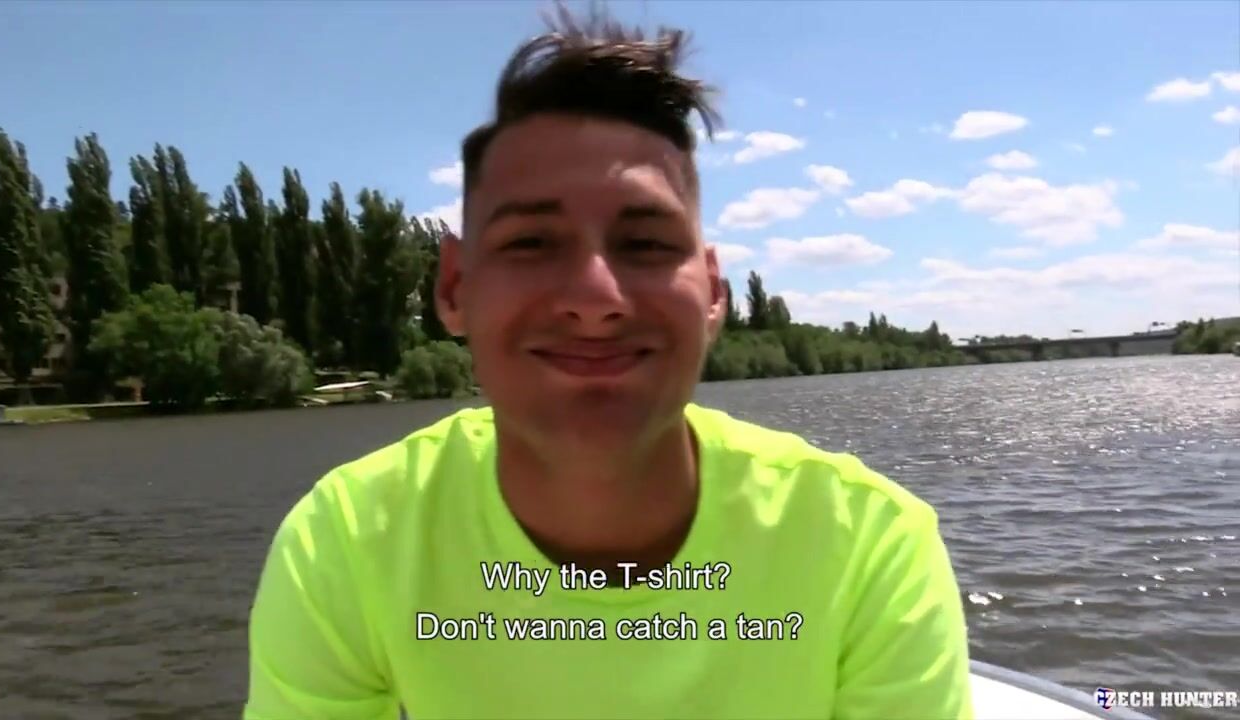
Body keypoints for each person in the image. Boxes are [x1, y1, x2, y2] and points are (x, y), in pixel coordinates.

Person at [244, 5, 973, 719]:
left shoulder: (868, 545)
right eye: (531, 243)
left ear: (714, 295)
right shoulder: (346, 540)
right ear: (455, 288)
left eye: (646, 244)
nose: (596, 300)